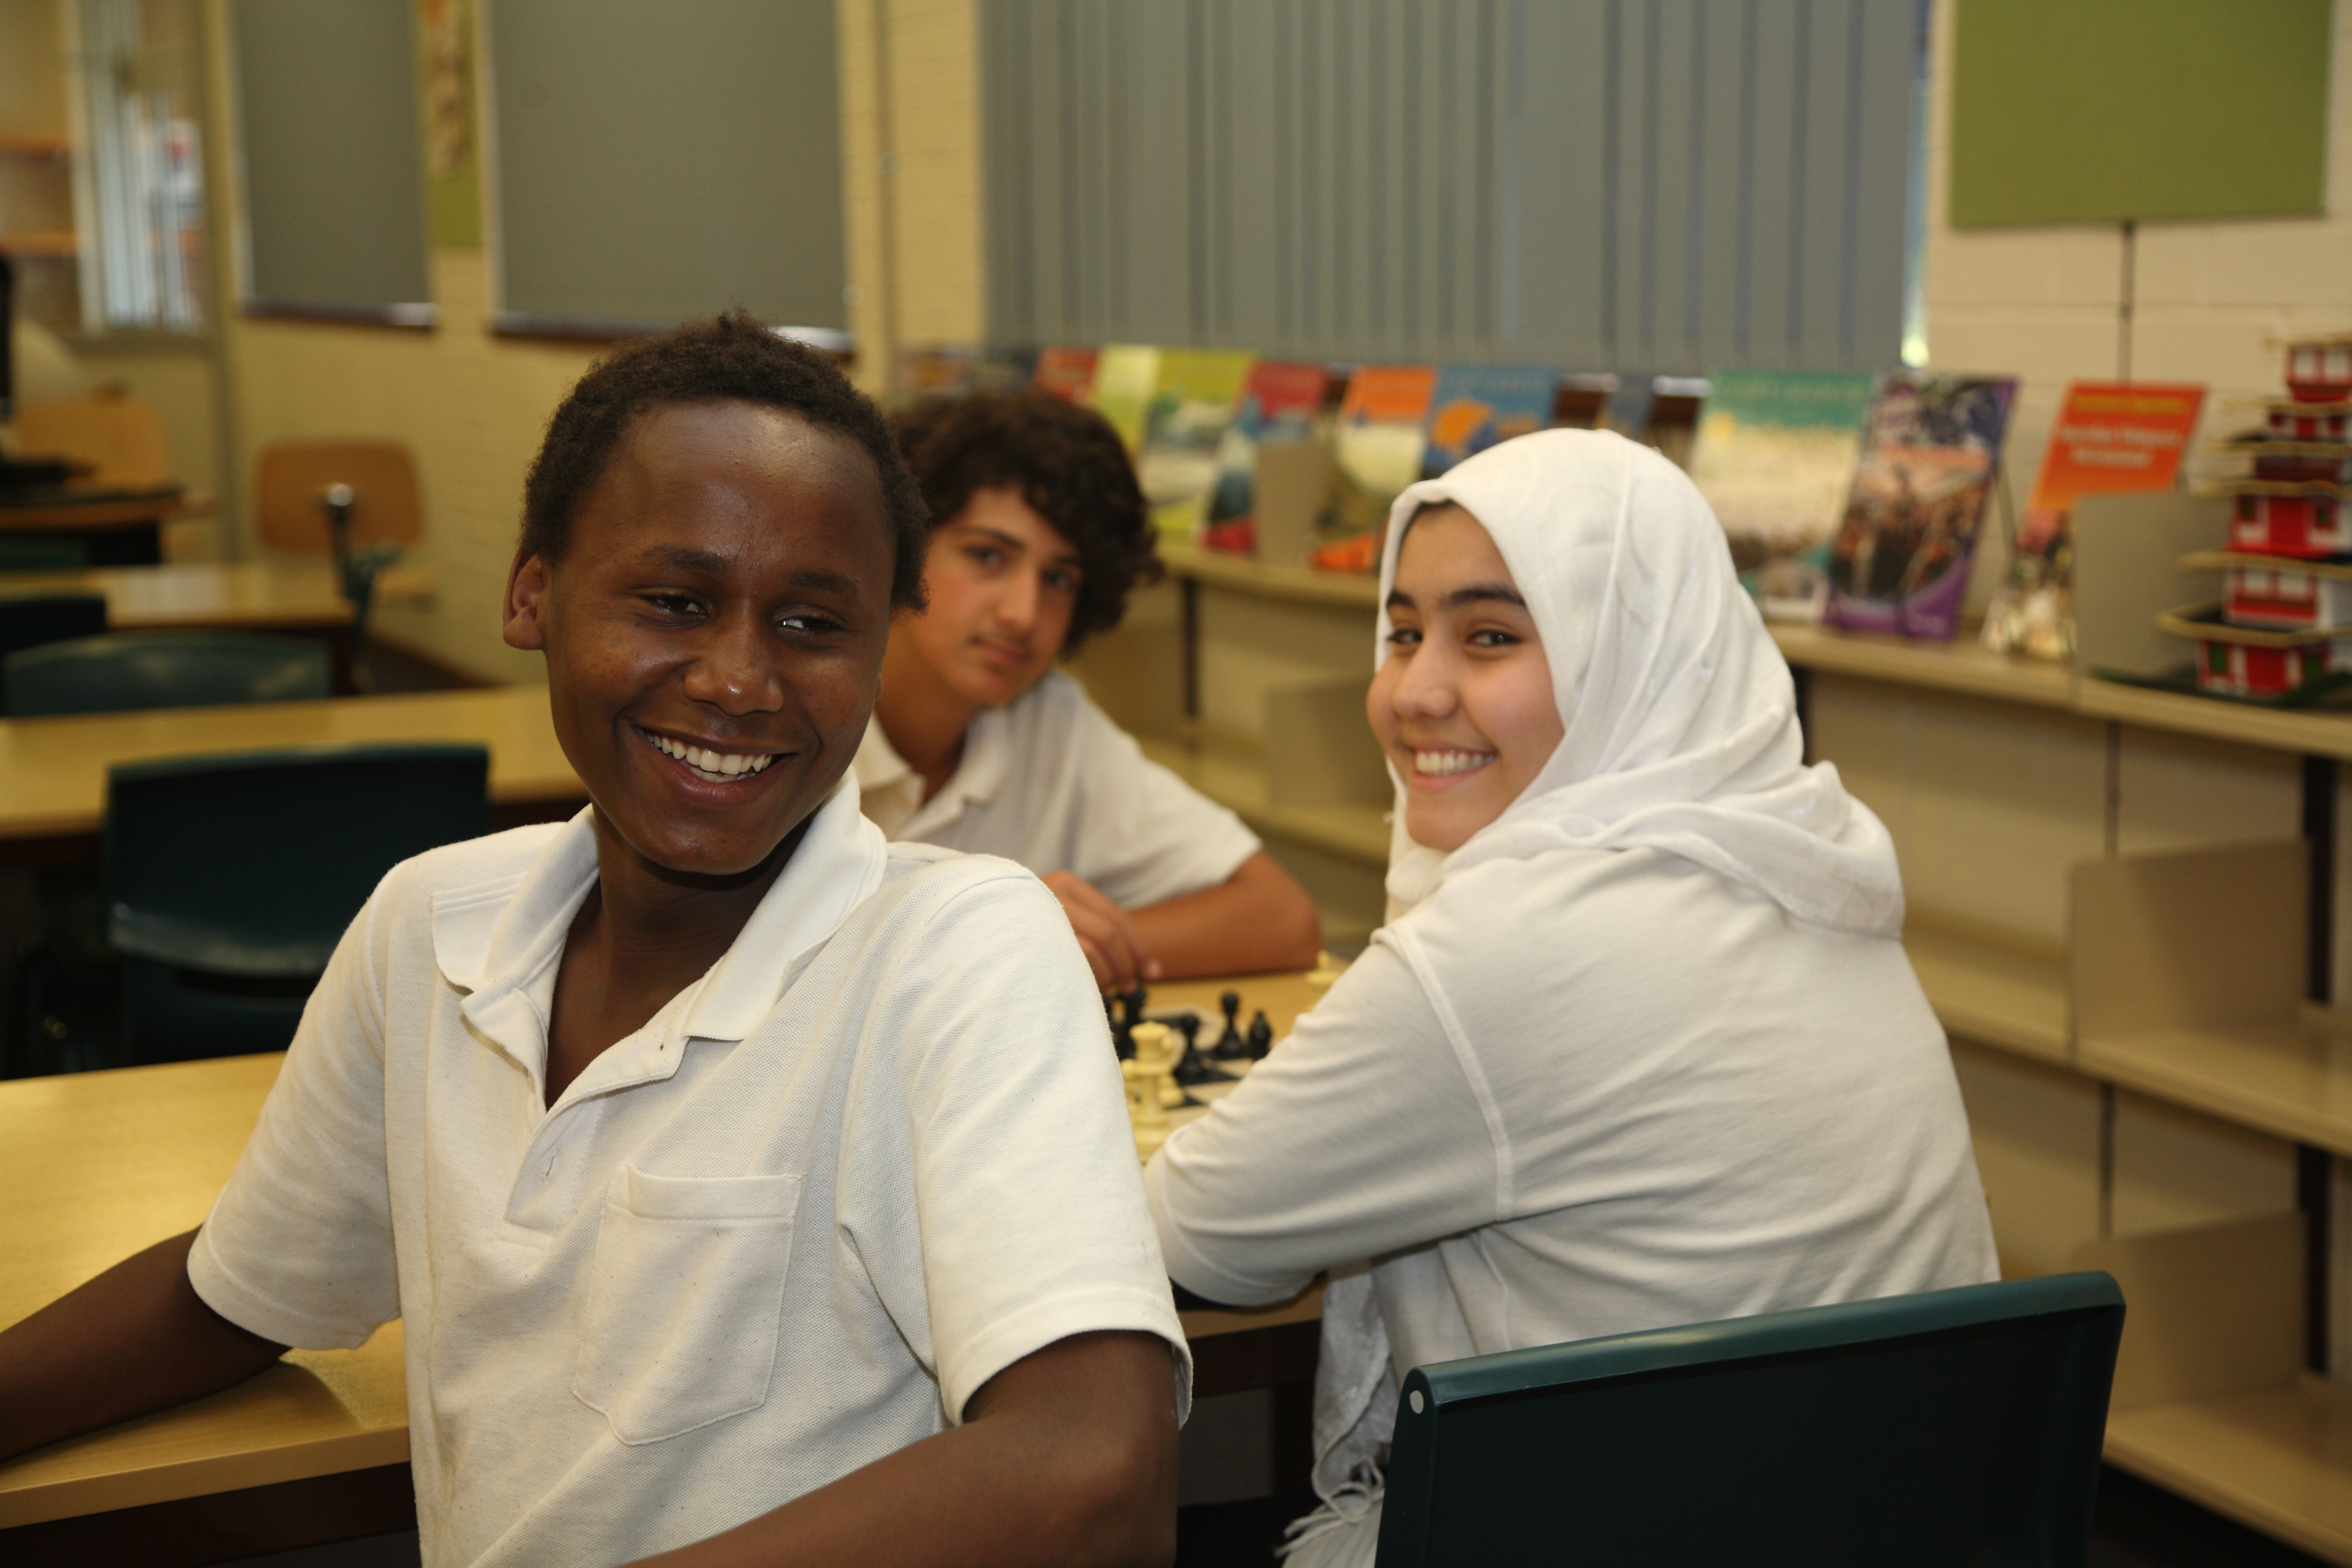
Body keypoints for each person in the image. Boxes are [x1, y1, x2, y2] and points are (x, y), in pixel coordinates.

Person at [0, 317, 1188, 1568]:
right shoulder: (430, 927)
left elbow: (1094, 1471)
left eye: (811, 626)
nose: (740, 679)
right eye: (675, 601)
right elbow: (237, 1289)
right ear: (533, 596)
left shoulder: (963, 948)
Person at [1142, 429, 1998, 1567]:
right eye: (1401, 632)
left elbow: (1183, 1234)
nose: (1415, 691)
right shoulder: (1804, 864)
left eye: (1490, 636)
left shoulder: (1507, 949)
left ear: (1632, 652)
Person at [865, 391, 1322, 992]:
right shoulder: (788, 714)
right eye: (987, 555)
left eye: (1058, 579)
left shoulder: (1048, 718)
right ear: (899, 542)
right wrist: (993, 932)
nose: (1023, 613)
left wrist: (1042, 939)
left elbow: (1283, 919)